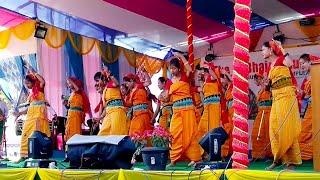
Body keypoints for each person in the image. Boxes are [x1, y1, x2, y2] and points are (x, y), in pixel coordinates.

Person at [262, 40, 301, 170]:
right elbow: (270, 86)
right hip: (276, 99)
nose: (262, 52)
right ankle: (277, 158)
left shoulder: (280, 60)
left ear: (271, 50)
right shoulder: (270, 66)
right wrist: (266, 85)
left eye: (263, 49)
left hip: (287, 97)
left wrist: (281, 47)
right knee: (273, 128)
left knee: (287, 128)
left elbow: (290, 64)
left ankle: (291, 162)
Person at [164, 53, 201, 167]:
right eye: (170, 69)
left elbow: (190, 69)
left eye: (174, 68)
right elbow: (166, 97)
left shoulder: (185, 76)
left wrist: (181, 56)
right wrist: (163, 98)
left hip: (188, 109)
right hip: (177, 111)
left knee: (191, 133)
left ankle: (195, 158)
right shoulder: (169, 82)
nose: (172, 70)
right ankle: (174, 159)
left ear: (179, 68)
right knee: (174, 133)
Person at [14, 71, 51, 162]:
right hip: (30, 117)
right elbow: (29, 107)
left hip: (38, 117)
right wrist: (19, 114)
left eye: (28, 83)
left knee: (37, 136)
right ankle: (23, 155)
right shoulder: (30, 95)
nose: (27, 85)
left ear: (33, 81)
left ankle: (37, 155)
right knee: (25, 134)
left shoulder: (39, 88)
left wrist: (35, 73)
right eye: (25, 83)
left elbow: (42, 81)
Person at [94, 69, 128, 135]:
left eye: (98, 80)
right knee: (102, 134)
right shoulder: (104, 91)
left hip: (117, 111)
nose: (97, 83)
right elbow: (107, 106)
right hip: (109, 113)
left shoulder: (111, 84)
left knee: (117, 134)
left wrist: (110, 75)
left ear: (103, 79)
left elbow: (117, 83)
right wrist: (100, 118)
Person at [197, 66, 221, 156]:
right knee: (201, 129)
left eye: (200, 71)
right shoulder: (204, 83)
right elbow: (203, 100)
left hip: (214, 106)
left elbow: (215, 77)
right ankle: (203, 153)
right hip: (207, 107)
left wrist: (208, 67)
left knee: (214, 129)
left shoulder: (212, 77)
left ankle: (215, 154)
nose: (199, 74)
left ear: (204, 71)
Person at [298, 54, 317, 160]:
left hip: (317, 108)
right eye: (300, 64)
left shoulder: (317, 73)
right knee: (304, 132)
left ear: (310, 62)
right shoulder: (307, 77)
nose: (301, 66)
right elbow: (306, 94)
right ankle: (308, 156)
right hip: (309, 108)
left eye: (303, 63)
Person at [251, 72, 272, 160]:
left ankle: (270, 154)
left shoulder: (267, 88)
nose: (255, 81)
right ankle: (258, 154)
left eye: (256, 79)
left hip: (268, 112)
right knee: (256, 133)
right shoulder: (259, 91)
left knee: (268, 134)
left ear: (259, 79)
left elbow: (268, 86)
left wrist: (265, 81)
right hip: (261, 112)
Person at [65, 77, 92, 141]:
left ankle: (75, 146)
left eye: (70, 83)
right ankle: (69, 146)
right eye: (68, 83)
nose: (69, 85)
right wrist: (66, 105)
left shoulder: (78, 91)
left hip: (76, 115)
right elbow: (71, 106)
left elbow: (77, 88)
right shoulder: (72, 94)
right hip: (71, 114)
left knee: (75, 130)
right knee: (70, 129)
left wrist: (70, 80)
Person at [220, 71, 234, 159]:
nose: (221, 81)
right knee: (228, 131)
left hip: (233, 109)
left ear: (226, 78)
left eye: (222, 79)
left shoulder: (232, 85)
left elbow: (234, 82)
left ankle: (233, 152)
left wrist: (227, 74)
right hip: (228, 111)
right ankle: (228, 153)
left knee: (233, 131)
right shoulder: (227, 88)